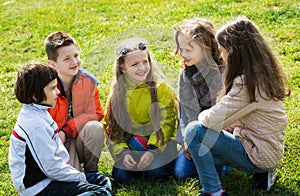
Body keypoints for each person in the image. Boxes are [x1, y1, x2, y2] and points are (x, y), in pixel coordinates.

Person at [185, 16, 290, 196]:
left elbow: (210, 120)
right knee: (202, 152)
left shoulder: (246, 84)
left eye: (223, 51)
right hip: (266, 147)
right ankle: (261, 171)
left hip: (258, 151)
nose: (222, 57)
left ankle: (213, 191)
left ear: (233, 52)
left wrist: (202, 118)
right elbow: (237, 116)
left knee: (195, 132)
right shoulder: (262, 73)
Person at [9, 62, 111, 195]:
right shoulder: (35, 125)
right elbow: (51, 168)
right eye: (52, 88)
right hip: (41, 187)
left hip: (51, 177)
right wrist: (81, 178)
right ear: (35, 95)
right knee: (101, 192)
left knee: (101, 181)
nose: (57, 91)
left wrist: (78, 176)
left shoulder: (39, 111)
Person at [104, 37, 178, 184]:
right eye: (135, 64)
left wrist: (152, 150)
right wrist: (124, 153)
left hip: (158, 145)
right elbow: (113, 128)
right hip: (132, 144)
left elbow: (167, 123)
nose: (142, 68)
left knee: (155, 172)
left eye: (145, 62)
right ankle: (135, 162)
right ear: (123, 68)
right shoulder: (118, 94)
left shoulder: (161, 89)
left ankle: (158, 163)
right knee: (121, 176)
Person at [172, 18, 229, 180]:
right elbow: (185, 113)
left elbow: (226, 113)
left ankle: (227, 159)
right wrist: (186, 140)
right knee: (181, 173)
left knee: (218, 172)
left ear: (207, 48)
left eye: (188, 50)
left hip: (219, 133)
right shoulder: (185, 75)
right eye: (180, 49)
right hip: (194, 133)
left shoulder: (223, 73)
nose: (183, 54)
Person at [44, 31, 105, 172]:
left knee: (95, 128)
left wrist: (67, 130)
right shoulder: (44, 88)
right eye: (67, 59)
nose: (74, 62)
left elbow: (96, 113)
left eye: (76, 56)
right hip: (55, 143)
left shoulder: (88, 81)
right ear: (52, 64)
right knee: (73, 180)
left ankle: (92, 171)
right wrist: (58, 134)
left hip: (78, 138)